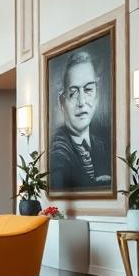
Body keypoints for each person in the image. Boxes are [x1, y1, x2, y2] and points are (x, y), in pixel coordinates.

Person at [49, 49, 112, 192]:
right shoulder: (58, 152)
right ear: (62, 101)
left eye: (88, 89)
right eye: (73, 92)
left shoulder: (103, 144)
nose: (82, 102)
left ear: (97, 95)